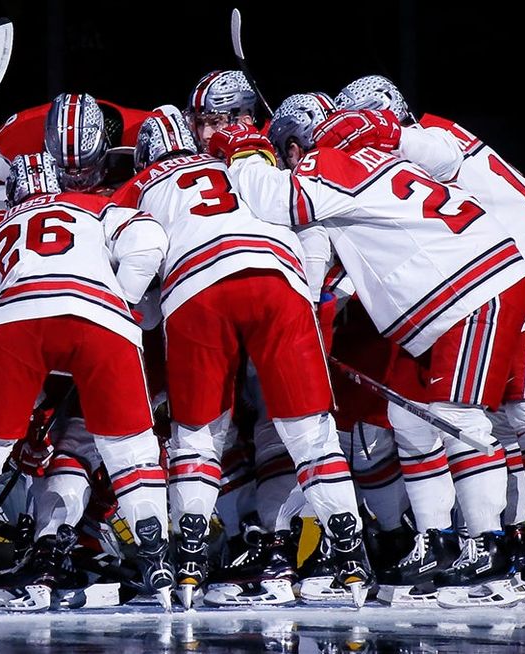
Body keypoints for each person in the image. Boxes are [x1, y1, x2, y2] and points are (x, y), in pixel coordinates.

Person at [211, 101, 525, 609]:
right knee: (412, 423)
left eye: (284, 153)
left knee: (459, 422)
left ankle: (489, 552)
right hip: (457, 289)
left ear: (296, 148)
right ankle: (438, 544)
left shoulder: (327, 165)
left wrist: (244, 154)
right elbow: (336, 262)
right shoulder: (378, 162)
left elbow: (280, 202)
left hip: (470, 289)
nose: (286, 161)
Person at [336, 74, 525, 601]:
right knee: (490, 421)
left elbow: (438, 153)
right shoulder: (399, 162)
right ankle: (507, 544)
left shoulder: (429, 135)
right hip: (503, 283)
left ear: (384, 112)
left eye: (359, 122)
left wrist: (379, 131)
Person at [113, 110, 371, 608]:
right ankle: (350, 556)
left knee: (199, 435)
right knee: (310, 432)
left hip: (197, 288)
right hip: (279, 279)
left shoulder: (139, 186)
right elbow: (305, 221)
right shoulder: (241, 161)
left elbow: (137, 278)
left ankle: (188, 560)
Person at [0, 152, 173, 612]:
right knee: (131, 450)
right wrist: (121, 297)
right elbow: (148, 237)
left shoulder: (1, 225)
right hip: (99, 317)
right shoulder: (96, 206)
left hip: (17, 320)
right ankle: (157, 561)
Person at [0, 93, 153, 207]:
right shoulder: (19, 132)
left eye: (86, 173)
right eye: (66, 172)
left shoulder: (144, 130)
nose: (77, 184)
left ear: (106, 143)